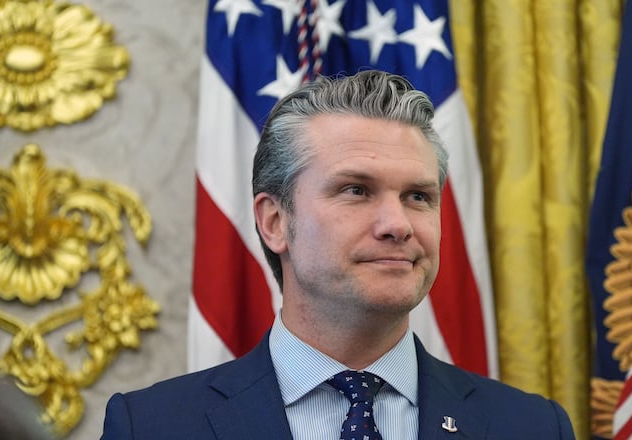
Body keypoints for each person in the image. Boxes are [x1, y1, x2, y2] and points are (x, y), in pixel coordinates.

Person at [100, 70, 575, 439]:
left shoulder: (533, 428)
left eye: (418, 196)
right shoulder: (150, 427)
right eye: (356, 190)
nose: (398, 225)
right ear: (275, 222)